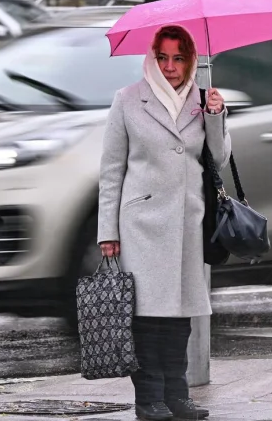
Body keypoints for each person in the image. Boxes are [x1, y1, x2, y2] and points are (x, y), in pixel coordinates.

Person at [97, 25, 230, 421]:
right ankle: (148, 399)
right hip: (142, 224)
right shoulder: (127, 100)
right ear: (152, 58)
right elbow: (111, 169)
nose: (171, 67)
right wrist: (108, 230)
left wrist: (216, 116)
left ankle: (178, 396)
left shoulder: (204, 99)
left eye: (179, 58)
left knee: (181, 315)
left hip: (189, 223)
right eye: (163, 58)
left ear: (190, 60)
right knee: (147, 316)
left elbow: (218, 158)